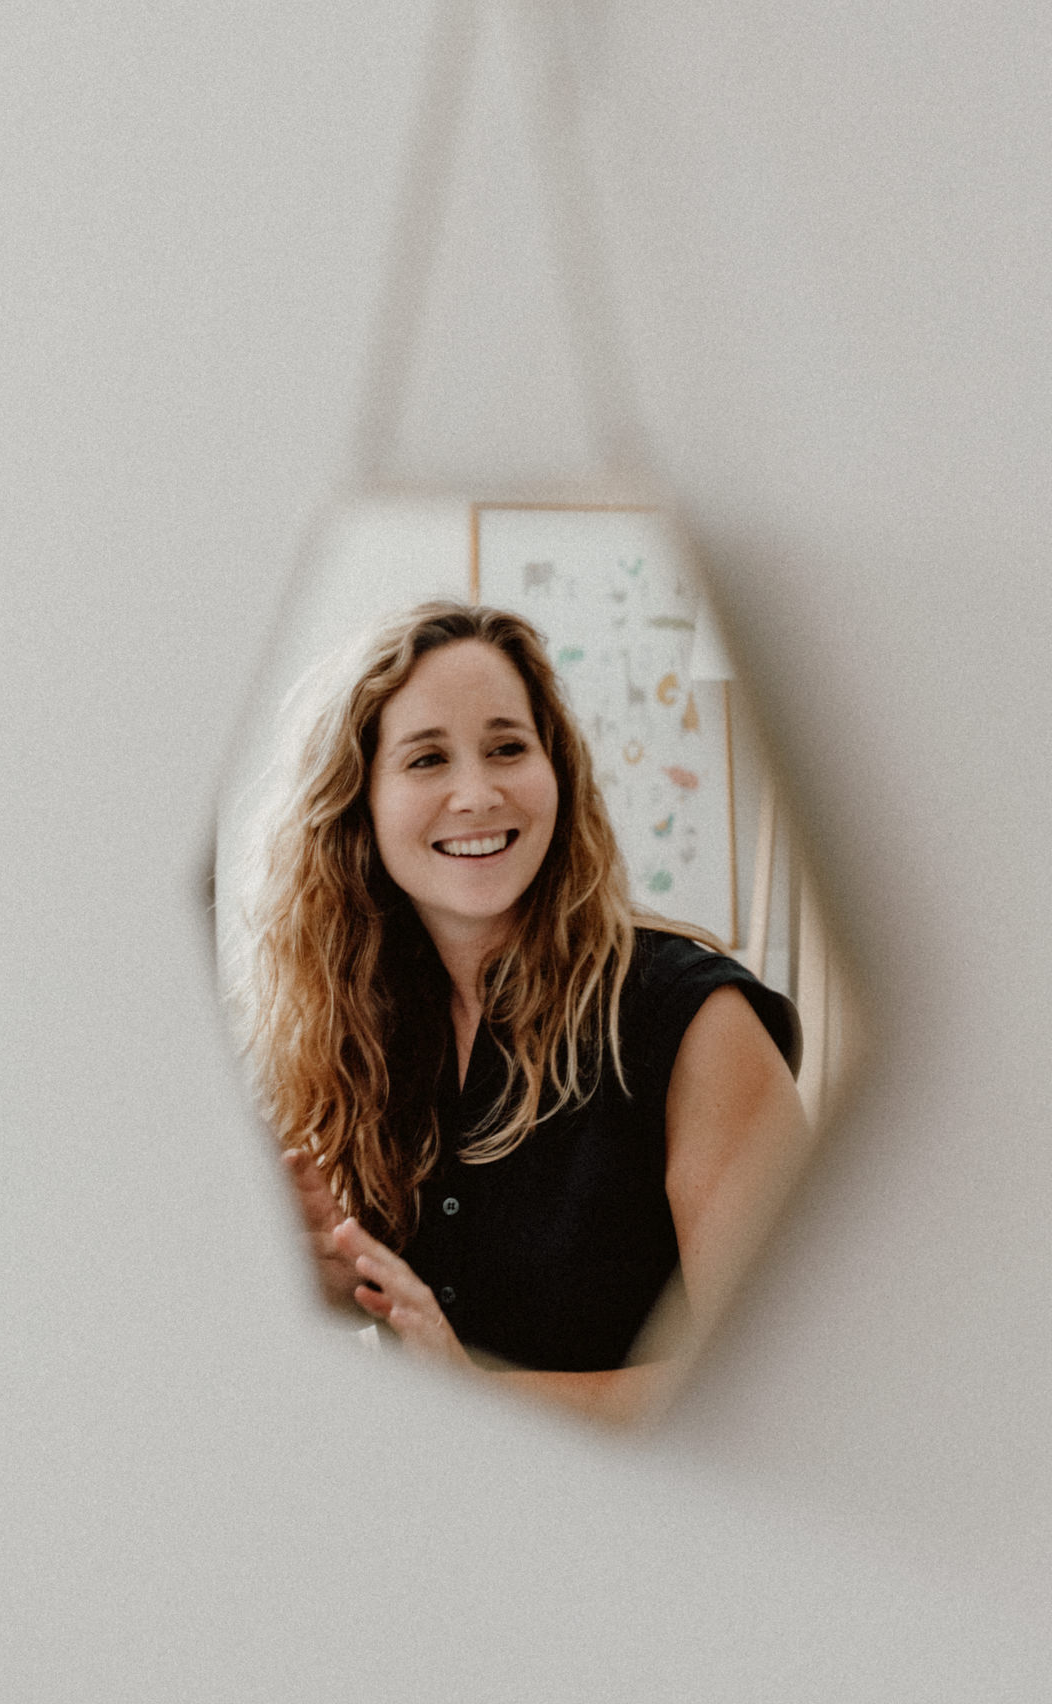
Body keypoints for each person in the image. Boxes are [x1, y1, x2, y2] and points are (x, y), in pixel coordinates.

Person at [236, 600, 808, 1419]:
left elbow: (794, 1384)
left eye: (508, 747)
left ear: (557, 772)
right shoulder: (358, 1025)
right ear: (360, 805)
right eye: (426, 759)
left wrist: (478, 1397)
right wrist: (333, 1284)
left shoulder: (697, 1023)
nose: (477, 793)